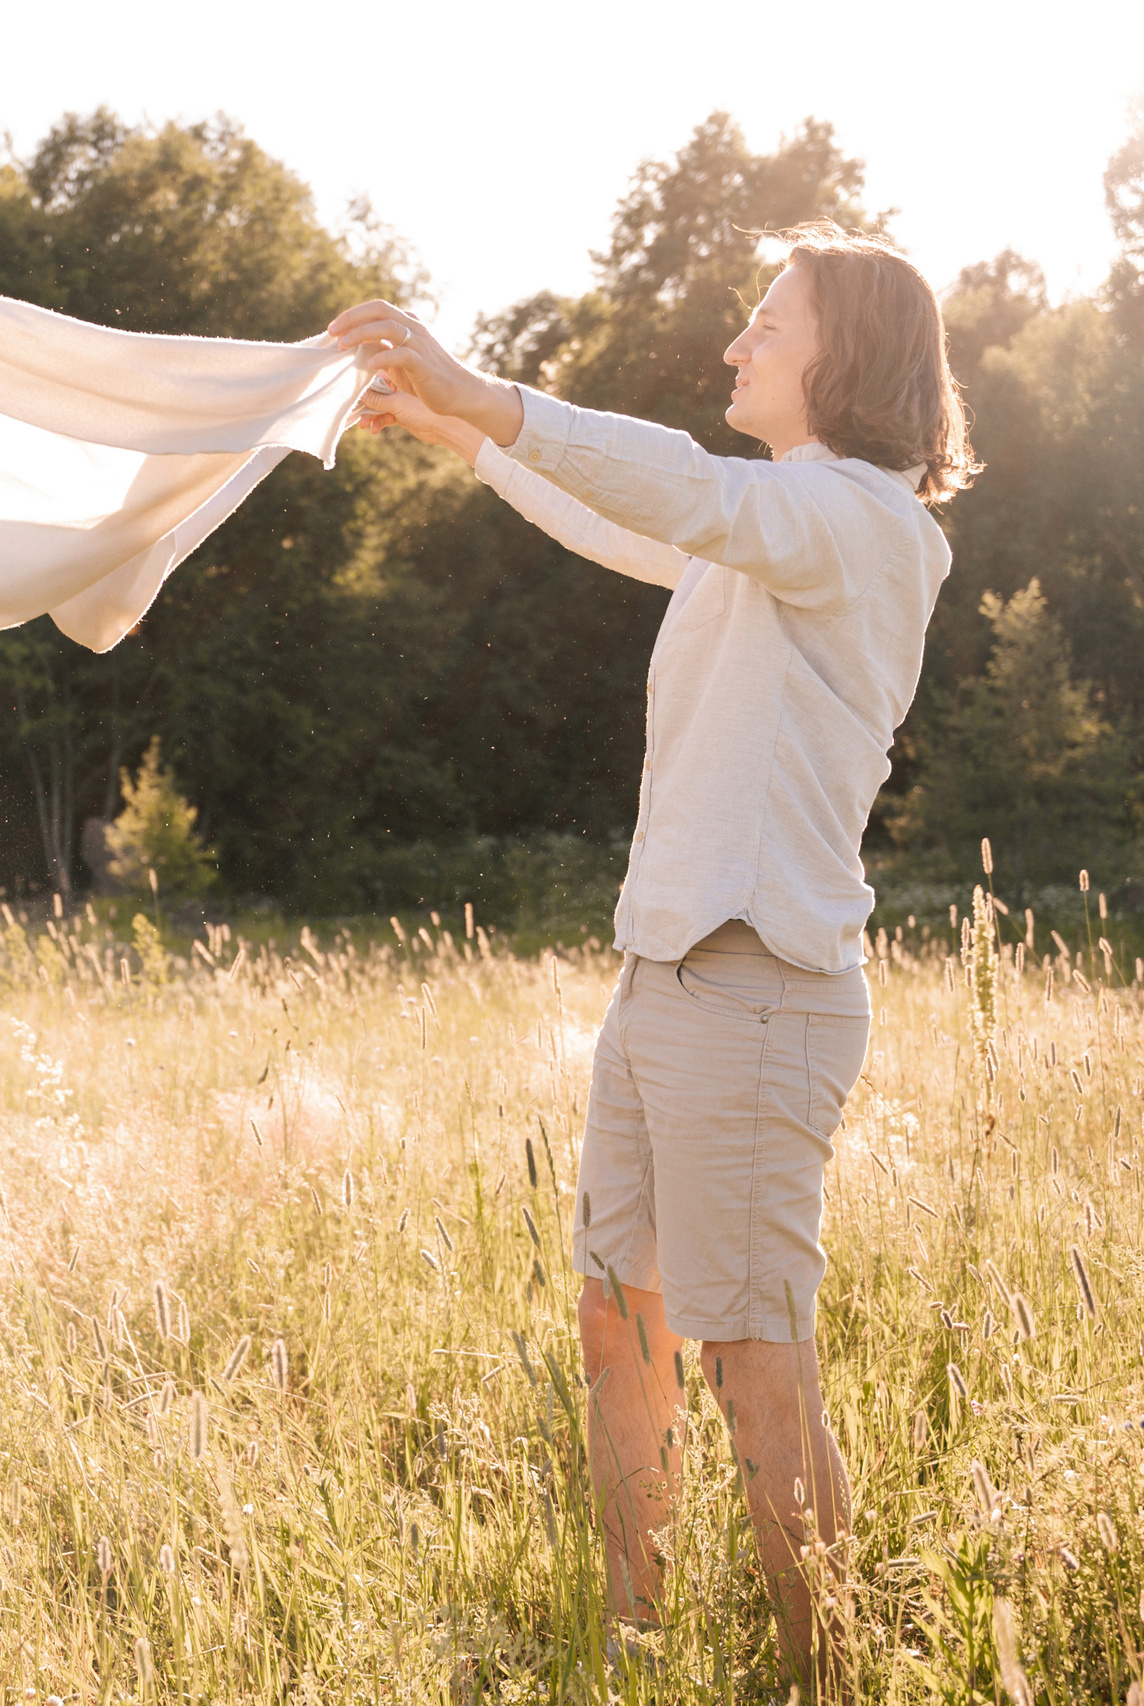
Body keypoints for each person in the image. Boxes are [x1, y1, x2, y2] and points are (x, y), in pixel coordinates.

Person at [331, 222, 975, 1692]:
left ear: (847, 358)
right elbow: (642, 519)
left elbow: (683, 488)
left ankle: (826, 1673)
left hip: (757, 998)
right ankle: (636, 1640)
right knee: (623, 1320)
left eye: (767, 325)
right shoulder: (771, 526)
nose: (738, 346)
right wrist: (468, 440)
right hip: (666, 981)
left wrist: (491, 392)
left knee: (756, 1359)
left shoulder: (863, 523)